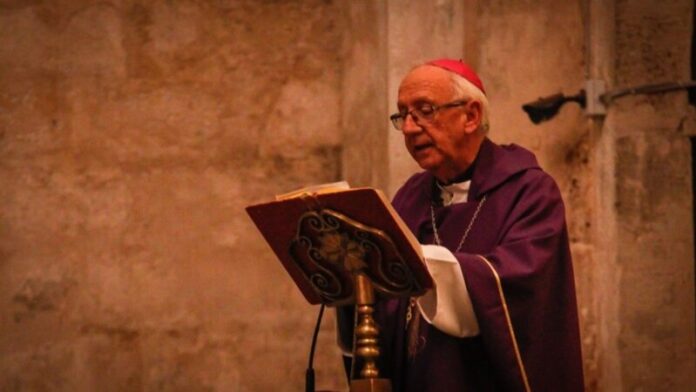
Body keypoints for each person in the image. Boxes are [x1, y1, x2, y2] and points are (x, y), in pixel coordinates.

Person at [339, 59, 584, 391]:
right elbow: (387, 303)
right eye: (403, 115)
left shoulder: (529, 191)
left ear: (471, 116)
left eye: (425, 111)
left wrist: (418, 262)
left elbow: (521, 288)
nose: (410, 128)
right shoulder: (411, 197)